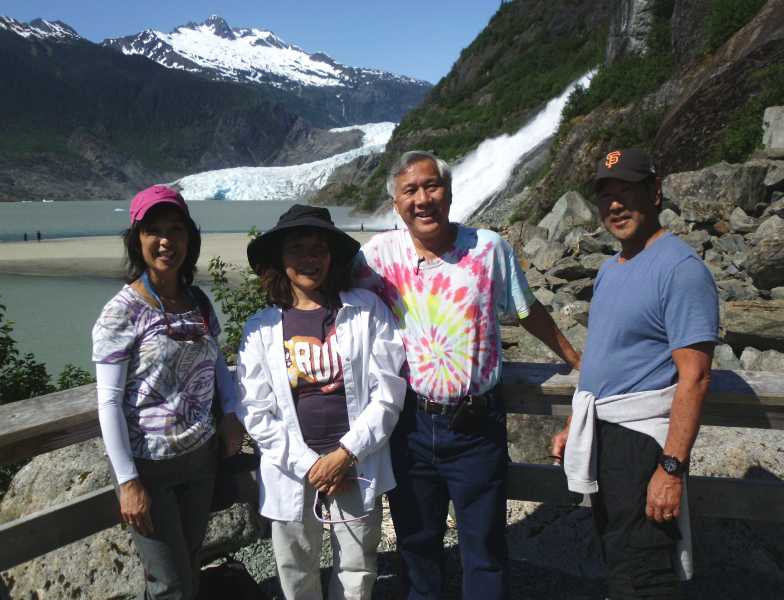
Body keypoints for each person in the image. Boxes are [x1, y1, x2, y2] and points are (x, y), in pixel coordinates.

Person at [354, 151, 581, 600]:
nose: (423, 199)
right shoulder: (377, 256)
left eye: (431, 186)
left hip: (476, 426)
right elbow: (335, 300)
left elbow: (526, 309)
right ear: (397, 204)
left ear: (450, 192)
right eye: (410, 190)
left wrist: (576, 358)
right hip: (410, 425)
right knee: (417, 546)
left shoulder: (488, 248)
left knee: (485, 549)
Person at [552, 148, 719, 599]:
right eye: (606, 195)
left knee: (643, 571)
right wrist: (575, 419)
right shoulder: (611, 269)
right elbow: (605, 355)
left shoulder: (681, 270)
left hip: (641, 441)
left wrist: (669, 469)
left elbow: (696, 376)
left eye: (626, 191)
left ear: (654, 191)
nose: (615, 205)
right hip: (605, 432)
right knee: (618, 557)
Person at [235, 205, 406, 600]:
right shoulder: (260, 328)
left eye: (318, 248)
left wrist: (346, 453)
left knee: (357, 565)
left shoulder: (366, 310)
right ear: (280, 258)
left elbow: (389, 390)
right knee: (295, 567)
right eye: (297, 248)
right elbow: (255, 411)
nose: (309, 258)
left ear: (332, 257)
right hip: (291, 466)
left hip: (356, 462)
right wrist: (313, 465)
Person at [92, 184, 244, 600]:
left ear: (189, 238)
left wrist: (230, 414)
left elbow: (217, 366)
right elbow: (107, 401)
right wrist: (128, 482)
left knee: (189, 562)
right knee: (169, 583)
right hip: (149, 466)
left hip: (200, 457)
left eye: (176, 229)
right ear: (136, 239)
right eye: (153, 230)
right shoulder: (121, 311)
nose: (165, 241)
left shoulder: (197, 301)